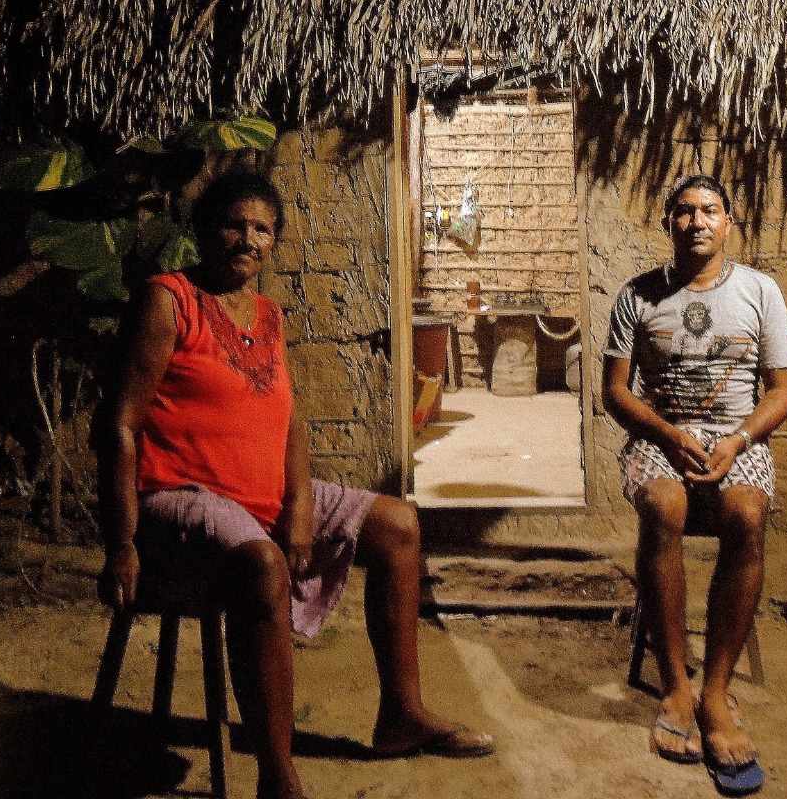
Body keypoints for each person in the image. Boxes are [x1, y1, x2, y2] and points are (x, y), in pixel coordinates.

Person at [98, 170, 492, 799]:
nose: (248, 239)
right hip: (180, 497)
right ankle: (277, 775)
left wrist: (301, 509)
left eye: (263, 228)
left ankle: (401, 714)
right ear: (204, 229)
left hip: (258, 495)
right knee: (261, 563)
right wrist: (120, 543)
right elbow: (119, 424)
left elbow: (289, 420)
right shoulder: (168, 301)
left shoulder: (267, 315)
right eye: (234, 224)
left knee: (396, 524)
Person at [602, 174, 787, 797]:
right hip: (661, 438)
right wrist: (666, 434)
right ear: (669, 223)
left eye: (709, 210)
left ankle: (714, 693)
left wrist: (737, 440)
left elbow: (783, 390)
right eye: (684, 212)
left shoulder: (760, 291)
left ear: (728, 221)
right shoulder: (637, 295)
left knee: (745, 514)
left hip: (738, 439)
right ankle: (675, 688)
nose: (697, 222)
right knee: (663, 505)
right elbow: (614, 391)